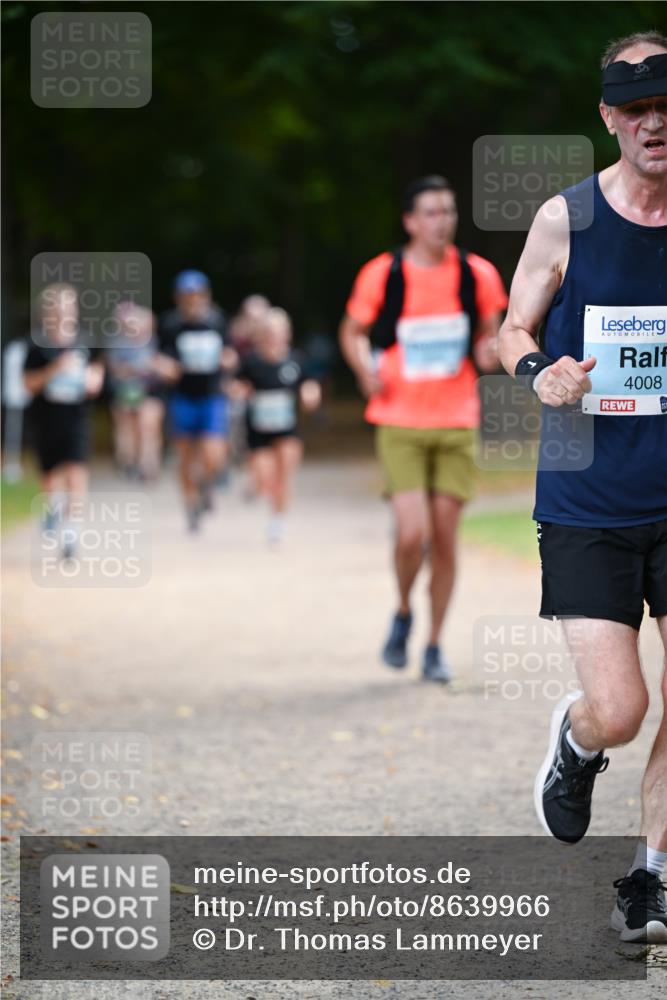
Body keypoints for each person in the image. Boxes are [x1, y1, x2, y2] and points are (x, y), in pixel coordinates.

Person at [499, 32, 667, 943]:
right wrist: (538, 372)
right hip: (587, 500)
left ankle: (653, 876)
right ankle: (577, 739)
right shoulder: (566, 218)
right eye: (635, 107)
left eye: (666, 104)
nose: (654, 122)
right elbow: (510, 325)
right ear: (606, 116)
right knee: (624, 707)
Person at [339, 175, 507, 681]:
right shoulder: (383, 273)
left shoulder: (477, 274)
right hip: (399, 418)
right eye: (432, 212)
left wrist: (489, 352)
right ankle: (403, 611)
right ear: (411, 221)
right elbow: (352, 331)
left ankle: (434, 644)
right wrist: (362, 370)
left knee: (446, 538)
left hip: (456, 419)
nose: (443, 221)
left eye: (449, 211)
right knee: (412, 534)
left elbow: (490, 339)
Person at [23, 283, 104, 559]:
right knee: (50, 478)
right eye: (56, 308)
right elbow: (28, 384)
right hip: (46, 419)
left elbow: (97, 373)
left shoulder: (85, 341)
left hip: (76, 419)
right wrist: (54, 369)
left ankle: (71, 535)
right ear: (47, 312)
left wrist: (93, 380)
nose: (61, 313)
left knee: (76, 474)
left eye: (67, 307)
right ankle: (53, 508)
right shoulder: (36, 344)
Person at [232, 307, 321, 544]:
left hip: (286, 429)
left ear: (287, 333)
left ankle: (277, 520)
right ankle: (261, 490)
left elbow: (310, 383)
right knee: (265, 477)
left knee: (284, 475)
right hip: (258, 429)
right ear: (261, 334)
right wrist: (239, 392)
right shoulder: (251, 361)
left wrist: (310, 394)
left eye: (279, 331)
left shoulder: (296, 360)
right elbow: (236, 385)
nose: (274, 336)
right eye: (269, 331)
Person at [158, 269, 237, 531]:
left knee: (213, 453)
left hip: (211, 395)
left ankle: (207, 486)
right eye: (187, 295)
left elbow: (231, 351)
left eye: (197, 295)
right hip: (183, 396)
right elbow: (158, 356)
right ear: (179, 298)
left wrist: (229, 360)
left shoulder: (217, 321)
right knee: (185, 457)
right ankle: (190, 503)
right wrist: (165, 367)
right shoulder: (171, 325)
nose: (192, 300)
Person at [106, 302, 170, 482]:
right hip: (126, 392)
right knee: (127, 428)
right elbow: (115, 369)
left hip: (151, 392)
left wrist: (150, 366)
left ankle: (148, 466)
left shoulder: (156, 342)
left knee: (148, 427)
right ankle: (128, 462)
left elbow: (164, 366)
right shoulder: (118, 343)